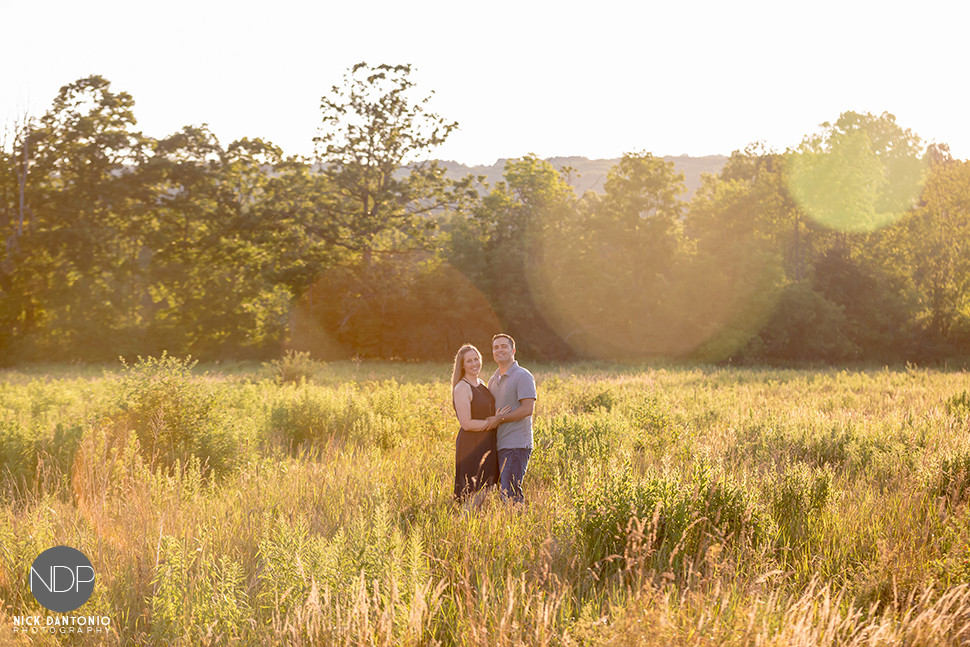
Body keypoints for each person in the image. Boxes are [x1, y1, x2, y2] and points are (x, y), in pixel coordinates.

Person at [451, 344, 510, 507]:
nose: (474, 363)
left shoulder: (481, 383)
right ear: (462, 365)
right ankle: (463, 523)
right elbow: (466, 423)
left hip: (487, 441)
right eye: (469, 361)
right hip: (472, 444)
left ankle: (472, 523)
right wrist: (493, 421)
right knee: (471, 490)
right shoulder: (462, 387)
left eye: (476, 359)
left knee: (485, 487)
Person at [486, 334, 537, 504]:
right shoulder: (493, 380)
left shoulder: (523, 376)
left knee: (510, 494)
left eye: (503, 346)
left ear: (513, 350)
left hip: (516, 444)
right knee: (503, 493)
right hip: (499, 445)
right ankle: (511, 525)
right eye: (495, 347)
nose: (499, 350)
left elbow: (527, 409)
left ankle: (520, 527)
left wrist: (500, 419)